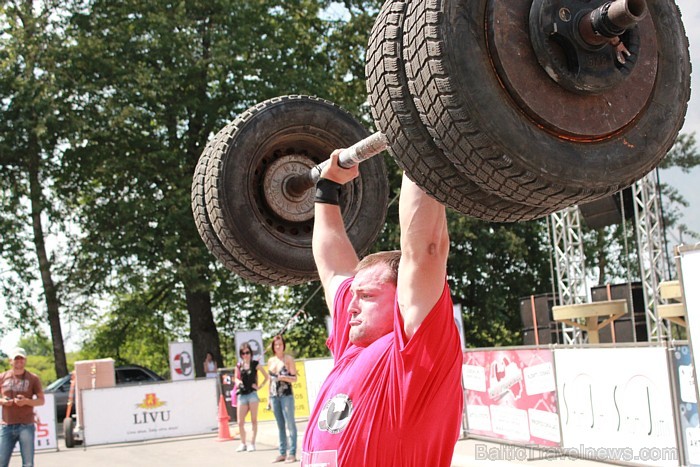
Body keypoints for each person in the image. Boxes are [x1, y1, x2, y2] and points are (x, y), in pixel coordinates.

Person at [301, 151, 463, 466]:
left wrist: (414, 142)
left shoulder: (415, 357)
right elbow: (332, 266)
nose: (351, 307)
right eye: (354, 296)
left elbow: (425, 249)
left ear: (402, 299)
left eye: (368, 296)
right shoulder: (350, 348)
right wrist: (327, 189)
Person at [0, 348, 45, 467]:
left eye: (21, 358)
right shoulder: (2, 377)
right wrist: (3, 401)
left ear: (25, 360)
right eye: (16, 358)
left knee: (28, 463)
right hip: (7, 424)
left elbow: (41, 401)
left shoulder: (33, 378)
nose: (19, 361)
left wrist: (26, 401)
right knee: (1, 461)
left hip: (26, 425)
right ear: (10, 361)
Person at [267, 335, 298, 463]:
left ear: (283, 345)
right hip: (275, 395)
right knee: (280, 425)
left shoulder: (288, 359)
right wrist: (269, 397)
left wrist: (283, 377)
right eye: (276, 345)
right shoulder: (271, 361)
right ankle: (282, 452)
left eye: (280, 344)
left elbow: (294, 378)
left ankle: (292, 452)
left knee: (290, 423)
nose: (278, 347)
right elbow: (270, 380)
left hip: (286, 394)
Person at [234, 342, 269, 453]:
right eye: (243, 353)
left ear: (251, 353)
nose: (245, 355)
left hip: (252, 394)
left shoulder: (255, 364)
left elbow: (266, 376)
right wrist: (238, 382)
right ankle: (243, 443)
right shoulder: (239, 365)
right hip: (242, 395)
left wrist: (259, 386)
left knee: (254, 420)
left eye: (247, 352)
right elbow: (235, 378)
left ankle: (252, 443)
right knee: (240, 421)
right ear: (241, 354)